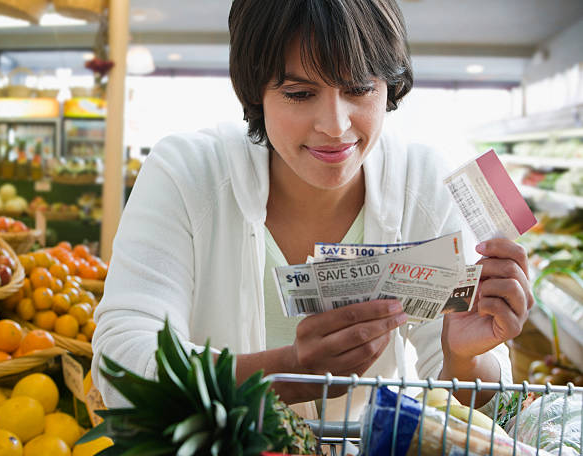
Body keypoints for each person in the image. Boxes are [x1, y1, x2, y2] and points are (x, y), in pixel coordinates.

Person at [92, 0, 533, 418]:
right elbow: (122, 363)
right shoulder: (187, 174)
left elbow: (481, 409)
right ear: (255, 93)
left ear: (388, 86)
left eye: (359, 89)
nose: (335, 127)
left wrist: (464, 359)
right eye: (300, 94)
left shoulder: (422, 182)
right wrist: (287, 370)